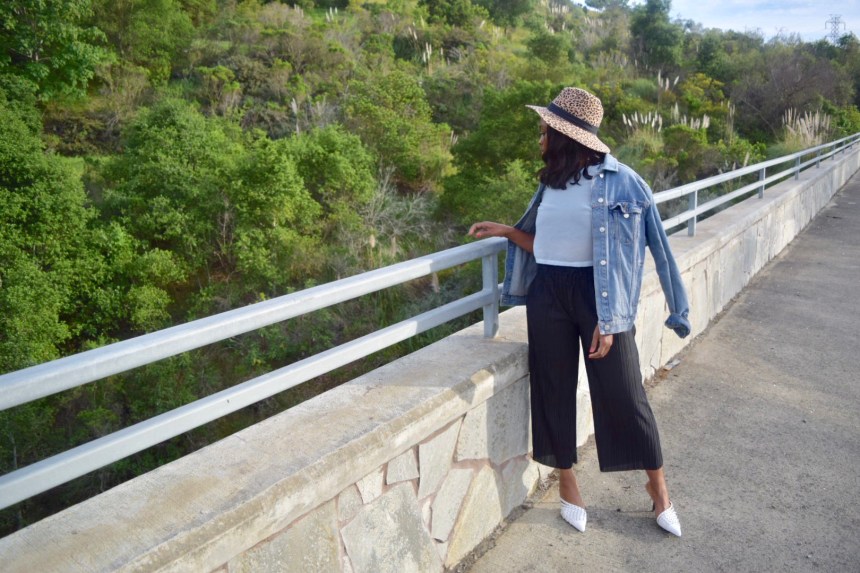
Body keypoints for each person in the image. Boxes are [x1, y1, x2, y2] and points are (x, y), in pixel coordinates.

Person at [468, 87, 690, 537]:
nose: (540, 138)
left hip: (599, 298)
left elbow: (659, 253)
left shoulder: (624, 181)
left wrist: (657, 314)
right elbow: (547, 248)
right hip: (548, 292)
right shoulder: (549, 184)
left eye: (544, 130)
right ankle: (569, 487)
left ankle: (659, 491)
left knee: (626, 396)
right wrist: (511, 231)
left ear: (565, 135)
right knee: (552, 390)